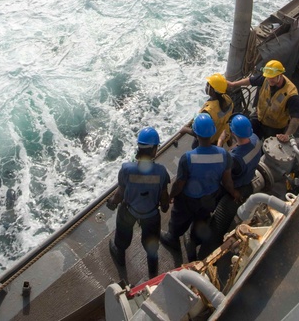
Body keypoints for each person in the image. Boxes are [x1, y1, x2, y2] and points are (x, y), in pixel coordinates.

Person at [161, 114, 238, 260]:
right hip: (210, 198)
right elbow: (227, 181)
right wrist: (234, 192)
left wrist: (171, 196)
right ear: (212, 133)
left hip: (188, 199)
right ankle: (194, 241)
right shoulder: (224, 155)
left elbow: (179, 184)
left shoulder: (188, 158)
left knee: (179, 219)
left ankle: (173, 239)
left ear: (195, 134)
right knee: (201, 219)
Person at [106, 127, 171, 276]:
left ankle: (119, 254)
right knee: (152, 246)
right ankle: (153, 271)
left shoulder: (127, 169)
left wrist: (112, 202)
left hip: (129, 211)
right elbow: (164, 196)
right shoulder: (161, 172)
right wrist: (166, 206)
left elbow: (120, 193)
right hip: (151, 214)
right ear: (154, 150)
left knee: (122, 237)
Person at [208, 114, 263, 248]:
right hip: (249, 175)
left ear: (232, 132)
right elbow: (240, 147)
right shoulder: (255, 139)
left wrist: (220, 141)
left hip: (236, 183)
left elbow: (226, 179)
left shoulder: (235, 158)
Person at [228, 60, 299, 142]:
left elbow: (296, 118)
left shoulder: (291, 93)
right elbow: (250, 81)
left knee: (269, 148)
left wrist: (287, 135)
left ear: (280, 75)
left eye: (272, 78)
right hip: (259, 117)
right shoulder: (267, 78)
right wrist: (233, 84)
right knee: (248, 138)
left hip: (274, 127)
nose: (269, 80)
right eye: (268, 78)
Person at [179, 73, 235, 146]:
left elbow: (199, 133)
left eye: (207, 85)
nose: (206, 86)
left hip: (212, 139)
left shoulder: (209, 111)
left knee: (195, 145)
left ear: (212, 91)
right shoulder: (228, 99)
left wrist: (185, 129)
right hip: (223, 133)